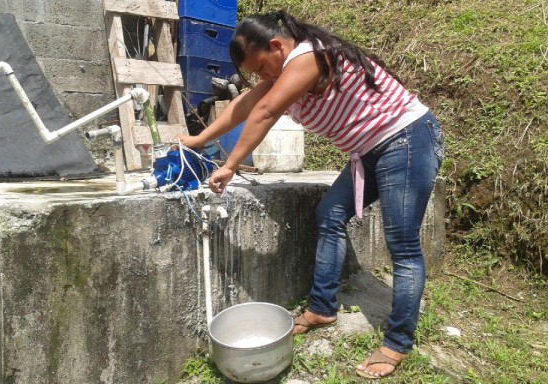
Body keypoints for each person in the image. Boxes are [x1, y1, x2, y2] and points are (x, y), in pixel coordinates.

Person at [179, 10, 444, 379]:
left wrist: (231, 163)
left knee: (402, 245)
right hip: (368, 152)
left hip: (406, 139)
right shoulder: (283, 69)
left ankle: (397, 343)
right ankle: (322, 307)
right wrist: (196, 139)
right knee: (330, 215)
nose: (263, 78)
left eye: (261, 68)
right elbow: (245, 106)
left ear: (276, 46)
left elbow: (268, 110)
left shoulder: (309, 56)